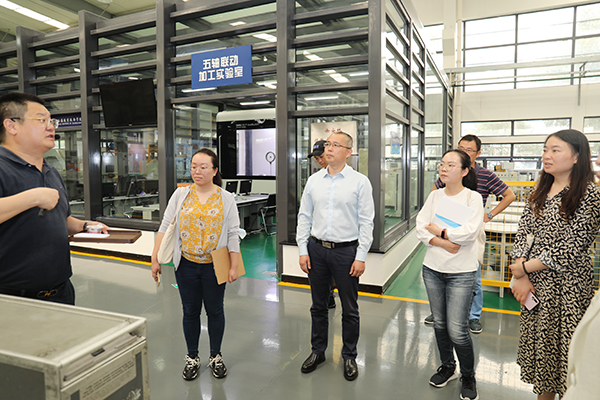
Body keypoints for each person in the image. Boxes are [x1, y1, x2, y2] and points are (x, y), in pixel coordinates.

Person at [508, 129, 600, 400]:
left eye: (555, 150)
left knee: (566, 355)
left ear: (577, 157)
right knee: (543, 355)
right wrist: (521, 274)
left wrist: (523, 269)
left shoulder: (590, 195)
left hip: (568, 288)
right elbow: (523, 231)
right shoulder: (539, 191)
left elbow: (571, 247)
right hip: (534, 285)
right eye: (545, 150)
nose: (547, 156)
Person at [0, 92, 107, 305]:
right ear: (11, 126)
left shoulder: (50, 171)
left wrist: (84, 226)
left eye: (51, 121)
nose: (51, 127)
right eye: (42, 120)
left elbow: (60, 219)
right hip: (12, 299)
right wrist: (33, 197)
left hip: (61, 292)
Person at [151, 148, 240, 381]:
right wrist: (155, 257)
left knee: (215, 311)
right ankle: (192, 357)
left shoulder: (226, 198)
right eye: (193, 167)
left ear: (215, 170)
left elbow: (233, 233)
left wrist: (234, 265)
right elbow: (165, 226)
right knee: (190, 311)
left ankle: (215, 356)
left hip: (215, 264)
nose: (197, 171)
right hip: (186, 265)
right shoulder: (181, 195)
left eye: (203, 167)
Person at [296, 131, 374, 381]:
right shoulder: (314, 181)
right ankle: (318, 351)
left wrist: (361, 256)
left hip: (346, 252)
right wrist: (302, 249)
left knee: (350, 308)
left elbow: (366, 222)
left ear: (348, 152)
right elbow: (304, 217)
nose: (329, 148)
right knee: (318, 306)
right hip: (317, 250)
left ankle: (349, 355)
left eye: (335, 145)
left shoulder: (360, 182)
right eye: (328, 144)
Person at [425, 134, 516, 334]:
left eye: (469, 150)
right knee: (442, 269)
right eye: (461, 149)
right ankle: (439, 311)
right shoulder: (449, 172)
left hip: (470, 230)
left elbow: (509, 195)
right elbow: (433, 194)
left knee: (472, 274)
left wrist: (489, 215)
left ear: (478, 153)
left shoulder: (485, 175)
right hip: (445, 228)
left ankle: (473, 316)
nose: (464, 152)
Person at [416, 149, 483, 400]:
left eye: (451, 165)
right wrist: (445, 242)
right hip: (432, 269)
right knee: (440, 325)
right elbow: (421, 228)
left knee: (457, 330)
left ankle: (468, 375)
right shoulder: (435, 196)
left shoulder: (473, 198)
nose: (444, 168)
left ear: (465, 171)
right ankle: (447, 366)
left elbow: (470, 233)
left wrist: (440, 232)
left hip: (461, 273)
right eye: (442, 164)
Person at [308, 139, 336, 309]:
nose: (319, 160)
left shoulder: (350, 178)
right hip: (318, 237)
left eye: (321, 157)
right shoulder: (315, 180)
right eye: (316, 158)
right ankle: (328, 297)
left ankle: (331, 294)